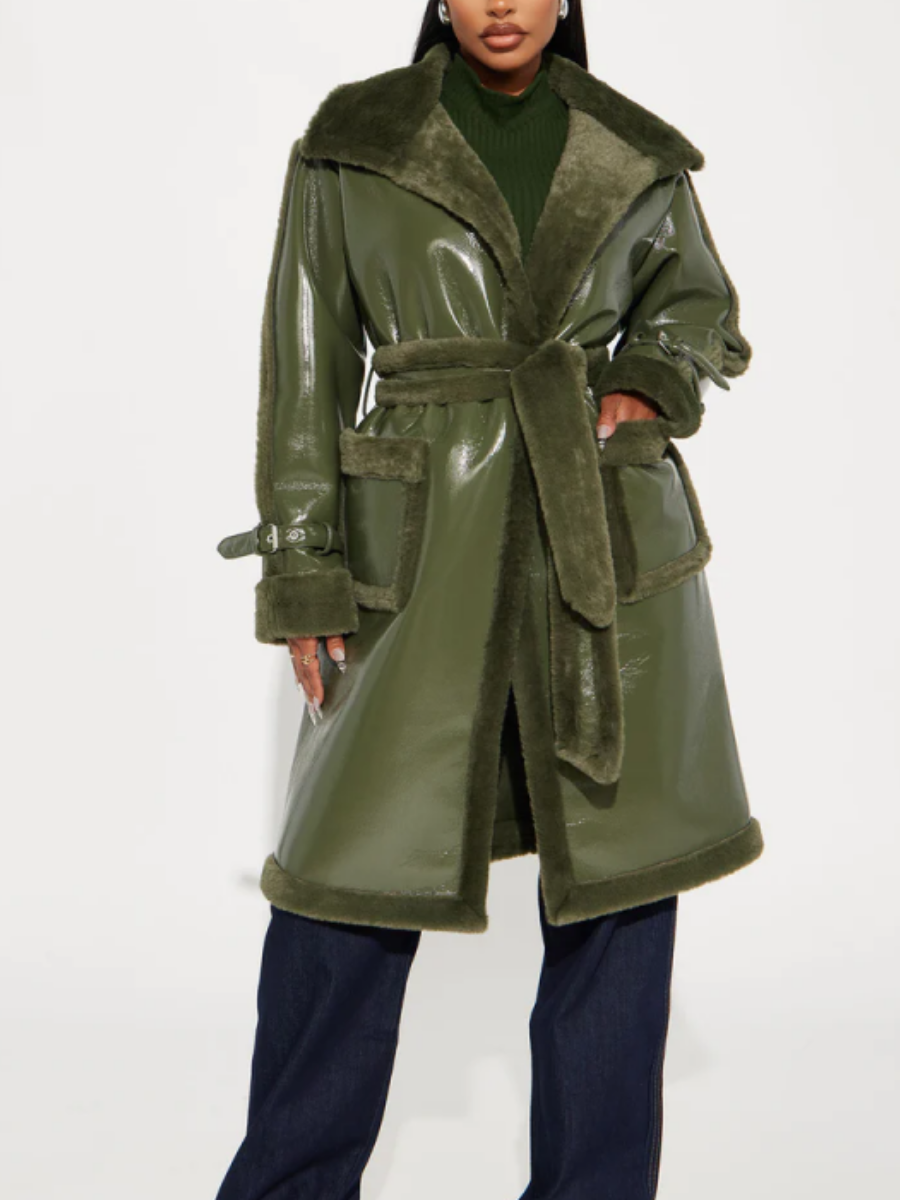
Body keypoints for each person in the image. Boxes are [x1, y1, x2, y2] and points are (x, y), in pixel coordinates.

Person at [214, 2, 765, 1196]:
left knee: (618, 892)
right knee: (346, 887)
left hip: (602, 548)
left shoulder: (638, 151)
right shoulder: (354, 141)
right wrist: (305, 568)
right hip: (421, 553)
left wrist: (647, 379)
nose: (502, 4)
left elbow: (698, 308)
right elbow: (305, 369)